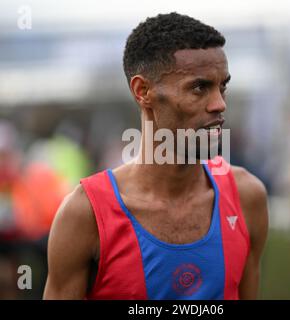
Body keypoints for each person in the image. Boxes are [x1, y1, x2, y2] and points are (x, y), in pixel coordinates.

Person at [43, 12, 268, 300]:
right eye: (199, 88)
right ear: (143, 91)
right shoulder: (84, 214)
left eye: (222, 86)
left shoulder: (247, 196)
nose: (219, 104)